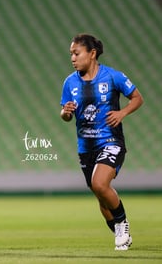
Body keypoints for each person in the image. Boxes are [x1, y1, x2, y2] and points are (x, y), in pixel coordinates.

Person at [60, 34, 143, 251]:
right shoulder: (70, 82)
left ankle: (122, 223)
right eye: (71, 54)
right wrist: (65, 112)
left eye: (76, 53)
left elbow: (137, 98)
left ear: (92, 54)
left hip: (110, 140)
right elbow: (65, 115)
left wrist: (122, 113)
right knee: (100, 196)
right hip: (85, 147)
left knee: (99, 184)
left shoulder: (112, 77)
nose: (73, 58)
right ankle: (120, 231)